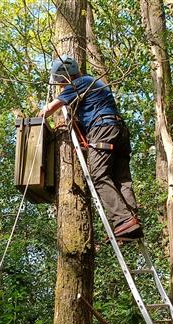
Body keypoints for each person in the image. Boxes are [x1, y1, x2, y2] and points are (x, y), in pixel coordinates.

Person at [39, 55, 142, 239]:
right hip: (119, 131)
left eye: (61, 83)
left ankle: (123, 220)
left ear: (66, 78)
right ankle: (131, 220)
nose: (61, 86)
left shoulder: (76, 84)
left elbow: (49, 110)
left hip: (102, 128)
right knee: (122, 179)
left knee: (99, 175)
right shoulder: (93, 82)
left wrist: (37, 117)